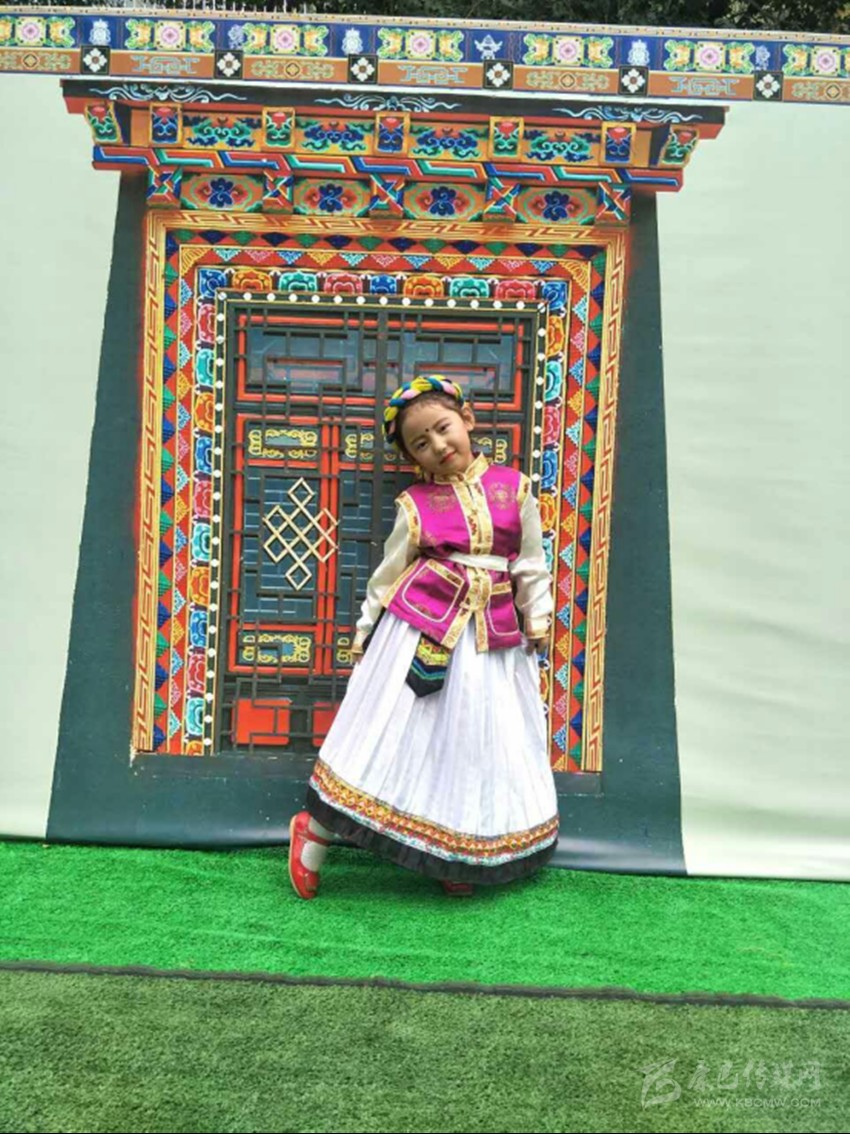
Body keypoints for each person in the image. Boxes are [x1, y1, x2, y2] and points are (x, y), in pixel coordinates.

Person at [288, 374, 559, 898]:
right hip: (418, 632)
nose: (438, 444)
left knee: (471, 744)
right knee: (385, 733)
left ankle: (453, 854)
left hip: (491, 641)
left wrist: (538, 616)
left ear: (467, 420)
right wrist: (365, 630)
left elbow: (530, 562)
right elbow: (389, 573)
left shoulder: (514, 488)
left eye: (443, 428)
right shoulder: (416, 504)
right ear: (412, 458)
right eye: (421, 442)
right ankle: (314, 833)